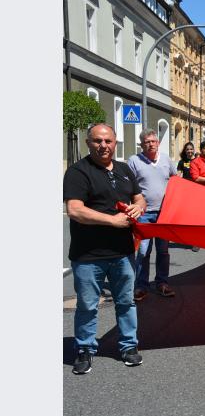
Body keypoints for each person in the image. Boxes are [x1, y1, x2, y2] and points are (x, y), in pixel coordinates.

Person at [63, 123, 146, 374]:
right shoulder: (78, 172)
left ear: (115, 142)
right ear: (88, 143)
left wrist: (139, 206)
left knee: (126, 302)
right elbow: (75, 209)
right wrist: (112, 220)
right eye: (98, 141)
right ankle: (85, 349)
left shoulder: (123, 169)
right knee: (88, 305)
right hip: (89, 255)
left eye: (108, 141)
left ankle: (128, 346)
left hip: (122, 252)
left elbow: (138, 196)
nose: (103, 146)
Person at [128, 129, 178, 301]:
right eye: (147, 141)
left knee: (163, 251)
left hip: (165, 214)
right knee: (143, 252)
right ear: (141, 144)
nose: (151, 144)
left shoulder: (166, 160)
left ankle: (162, 283)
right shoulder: (134, 161)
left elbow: (176, 180)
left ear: (158, 143)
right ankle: (141, 286)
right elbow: (129, 186)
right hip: (144, 214)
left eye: (153, 141)